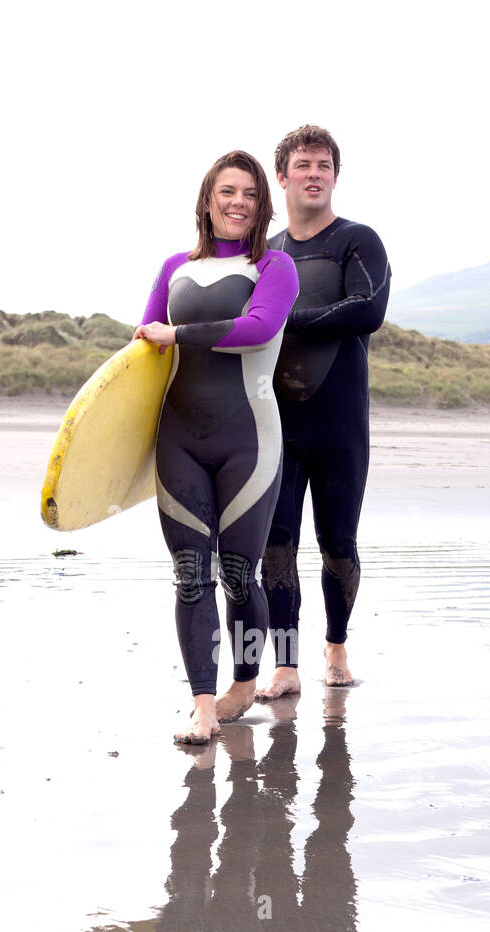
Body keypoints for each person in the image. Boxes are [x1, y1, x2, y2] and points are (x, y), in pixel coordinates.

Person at [134, 151, 299, 744]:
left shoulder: (275, 267)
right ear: (207, 199)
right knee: (188, 574)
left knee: (237, 571)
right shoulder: (174, 267)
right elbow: (144, 348)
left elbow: (256, 328)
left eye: (250, 195)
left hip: (249, 440)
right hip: (179, 438)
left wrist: (177, 333)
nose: (238, 203)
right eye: (227, 191)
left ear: (262, 206)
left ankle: (245, 680)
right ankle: (202, 703)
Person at [254, 125, 391, 699]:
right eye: (303, 165)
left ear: (335, 176)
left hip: (340, 427)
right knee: (276, 544)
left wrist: (285, 323)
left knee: (339, 544)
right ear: (281, 177)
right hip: (276, 426)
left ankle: (335, 645)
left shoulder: (357, 242)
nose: (315, 174)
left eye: (325, 166)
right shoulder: (267, 255)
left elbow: (366, 310)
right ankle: (285, 666)